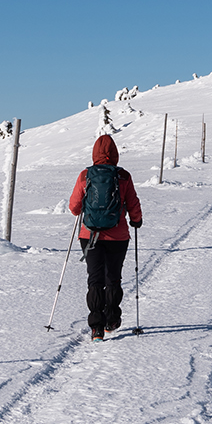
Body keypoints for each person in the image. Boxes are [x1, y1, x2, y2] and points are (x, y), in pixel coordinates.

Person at [68, 134, 144, 341]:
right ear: (116, 154)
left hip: (90, 235)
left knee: (95, 279)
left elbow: (74, 207)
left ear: (94, 153)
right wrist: (136, 220)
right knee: (113, 278)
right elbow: (133, 202)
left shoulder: (85, 175)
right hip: (118, 236)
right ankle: (111, 319)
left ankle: (96, 327)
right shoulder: (124, 176)